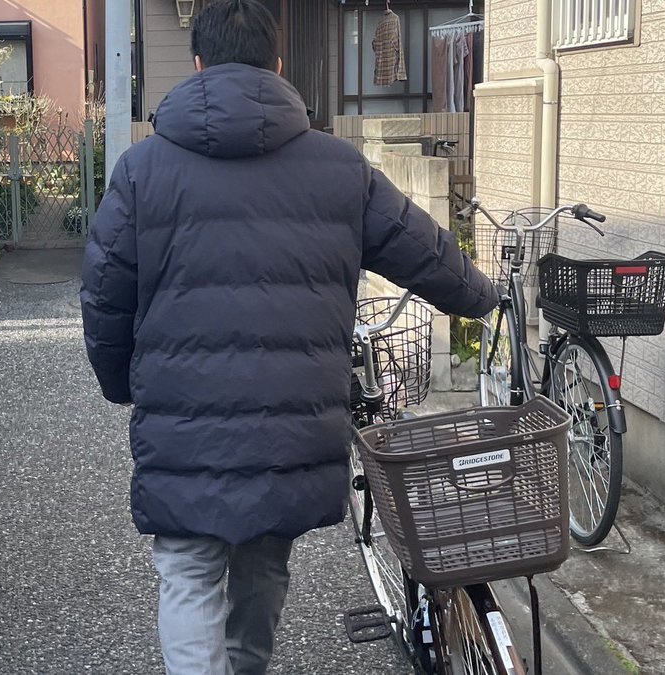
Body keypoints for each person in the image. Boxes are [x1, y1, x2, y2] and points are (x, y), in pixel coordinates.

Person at [79, 1, 496, 674]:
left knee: (188, 571)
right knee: (264, 561)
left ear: (197, 65)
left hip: (185, 422)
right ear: (278, 65)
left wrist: (118, 380)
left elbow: (103, 295)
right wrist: (481, 298)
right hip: (292, 424)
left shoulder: (141, 170)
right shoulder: (339, 167)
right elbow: (422, 249)